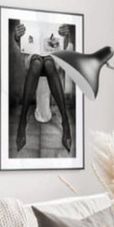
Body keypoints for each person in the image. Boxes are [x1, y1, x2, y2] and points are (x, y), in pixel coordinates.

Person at [12, 22, 72, 154]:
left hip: (52, 54)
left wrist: (66, 35)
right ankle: (23, 121)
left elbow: (64, 45)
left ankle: (65, 122)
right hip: (33, 55)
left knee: (49, 63)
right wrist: (17, 37)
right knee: (36, 63)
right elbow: (22, 43)